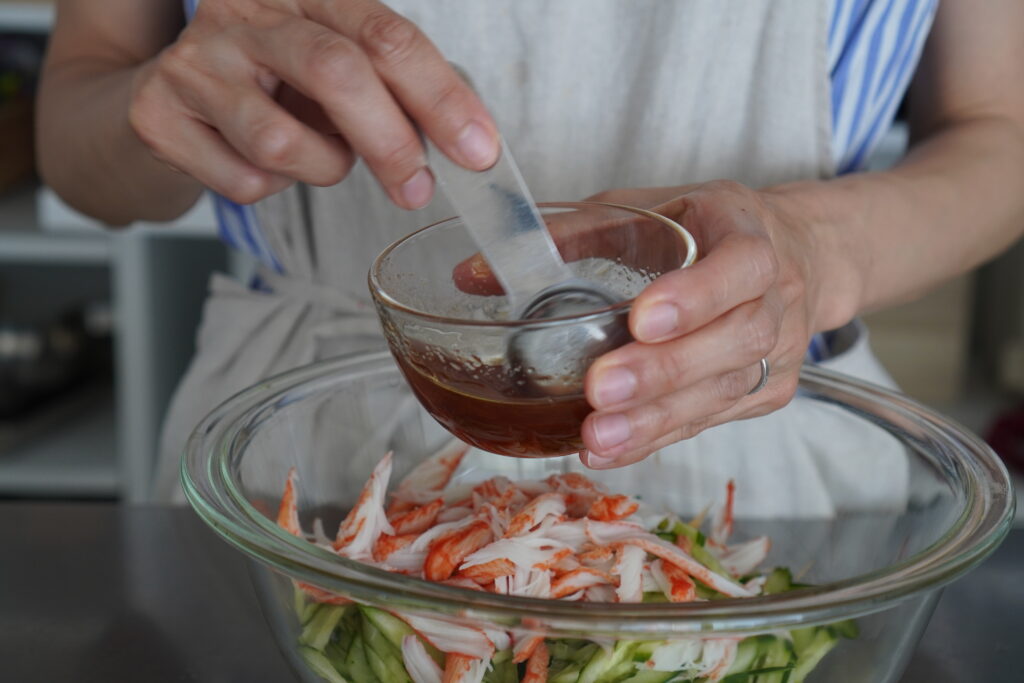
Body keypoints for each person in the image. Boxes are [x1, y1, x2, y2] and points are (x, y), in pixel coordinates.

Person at [36, 0, 1024, 508]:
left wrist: (817, 249)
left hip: (764, 452)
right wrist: (157, 112)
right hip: (301, 459)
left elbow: (1000, 128)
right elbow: (74, 140)